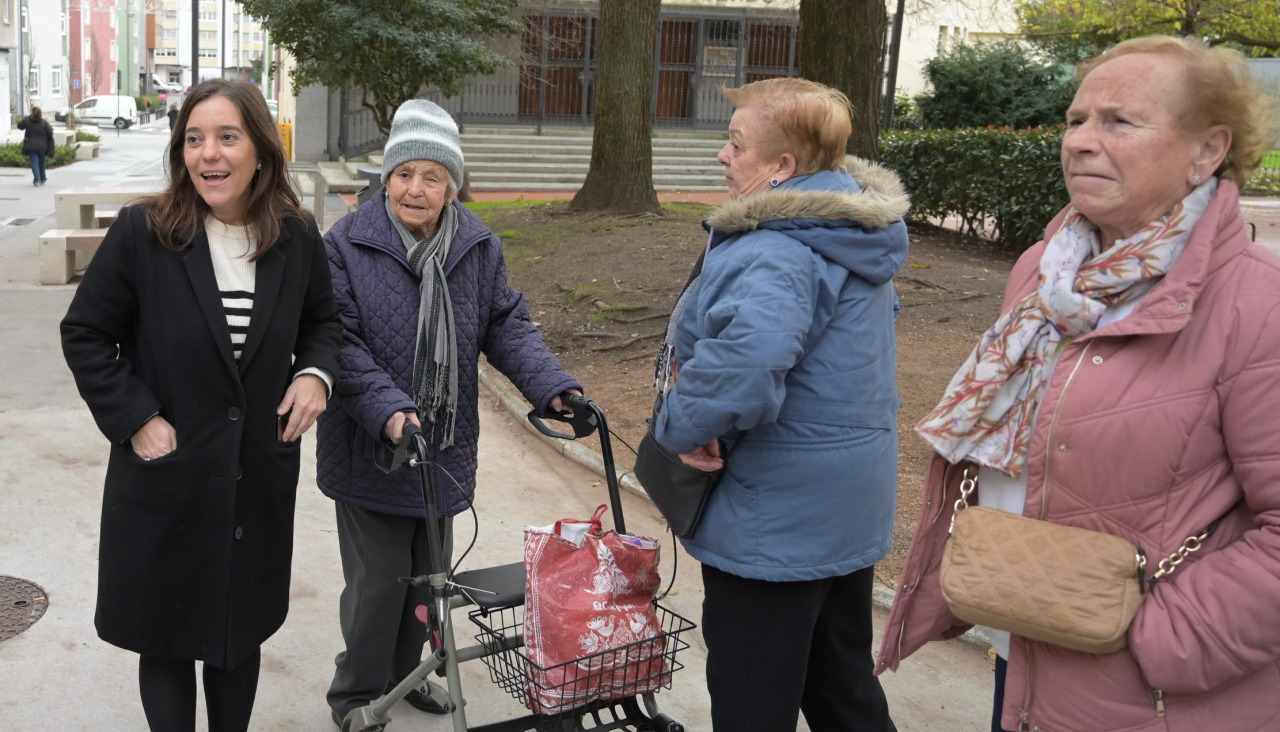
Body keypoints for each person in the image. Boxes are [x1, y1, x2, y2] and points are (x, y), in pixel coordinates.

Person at [878, 36, 1280, 731]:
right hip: (1024, 639)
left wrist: (1163, 640)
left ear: (1207, 151)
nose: (1082, 142)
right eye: (1075, 120)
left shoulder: (1258, 305)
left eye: (1119, 121)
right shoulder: (1045, 269)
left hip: (1155, 691)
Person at [60, 78, 342, 732]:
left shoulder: (296, 237)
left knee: (237, 637)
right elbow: (86, 333)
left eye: (226, 137)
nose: (208, 154)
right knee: (165, 636)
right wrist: (136, 417)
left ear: (261, 152)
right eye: (194, 139)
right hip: (167, 479)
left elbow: (323, 324)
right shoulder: (145, 233)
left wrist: (317, 376)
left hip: (253, 480)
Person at [650, 77, 907, 731]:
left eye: (736, 143)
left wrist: (684, 427)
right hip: (841, 505)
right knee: (840, 684)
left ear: (782, 168)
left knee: (750, 699)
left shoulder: (777, 246)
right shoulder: (844, 233)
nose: (722, 155)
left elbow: (750, 357)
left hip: (776, 515)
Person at [317, 99, 582, 728]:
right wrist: (390, 410)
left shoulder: (477, 245)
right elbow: (340, 343)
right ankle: (355, 696)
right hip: (373, 448)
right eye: (405, 174)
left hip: (444, 449)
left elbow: (507, 326)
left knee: (428, 582)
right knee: (379, 583)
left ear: (451, 185)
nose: (416, 189)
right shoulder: (344, 244)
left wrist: (553, 389)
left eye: (432, 176)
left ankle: (408, 678)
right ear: (387, 179)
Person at [17, 106, 54, 187]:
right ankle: (43, 179)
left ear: (32, 112)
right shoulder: (44, 122)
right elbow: (50, 133)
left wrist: (24, 119)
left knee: (34, 162)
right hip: (42, 146)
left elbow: (19, 126)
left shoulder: (27, 120)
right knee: (42, 162)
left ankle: (37, 180)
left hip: (31, 146)